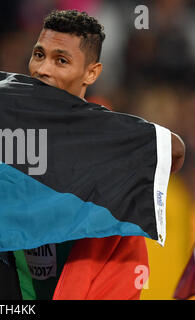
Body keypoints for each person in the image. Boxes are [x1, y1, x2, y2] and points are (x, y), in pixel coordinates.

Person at [18, 9, 185, 300]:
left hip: (94, 283)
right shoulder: (10, 122)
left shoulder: (106, 135)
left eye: (61, 60)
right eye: (39, 54)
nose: (43, 69)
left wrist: (91, 130)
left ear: (91, 73)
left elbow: (175, 150)